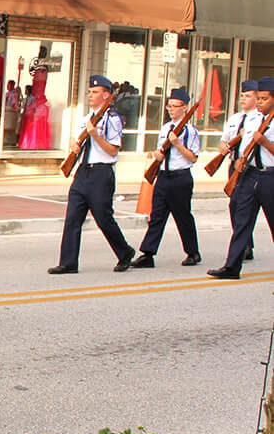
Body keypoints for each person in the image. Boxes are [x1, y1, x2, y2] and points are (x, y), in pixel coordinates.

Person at [48, 74, 135, 275]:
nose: (90, 95)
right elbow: (75, 137)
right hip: (83, 172)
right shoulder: (87, 118)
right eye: (89, 91)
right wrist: (74, 143)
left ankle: (124, 252)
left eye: (95, 92)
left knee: (104, 218)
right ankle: (68, 262)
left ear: (106, 95)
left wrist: (95, 135)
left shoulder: (113, 120)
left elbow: (113, 150)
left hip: (101, 173)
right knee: (72, 218)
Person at [208, 76, 274, 280]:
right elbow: (245, 147)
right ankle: (232, 266)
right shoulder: (253, 120)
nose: (260, 102)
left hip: (270, 176)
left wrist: (264, 142)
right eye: (259, 98)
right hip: (250, 175)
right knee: (241, 220)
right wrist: (240, 161)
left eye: (264, 99)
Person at [131, 88, 201, 269]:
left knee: (183, 216)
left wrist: (177, 143)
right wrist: (157, 154)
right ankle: (148, 253)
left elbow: (193, 157)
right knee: (157, 217)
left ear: (185, 107)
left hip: (180, 177)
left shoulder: (190, 131)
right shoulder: (166, 128)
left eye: (175, 106)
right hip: (163, 176)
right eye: (169, 106)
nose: (171, 109)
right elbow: (159, 149)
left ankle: (193, 252)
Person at [219, 80, 259, 263]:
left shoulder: (259, 118)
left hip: (250, 166)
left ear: (257, 98)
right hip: (234, 165)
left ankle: (244, 246)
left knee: (242, 206)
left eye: (248, 95)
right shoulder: (235, 118)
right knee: (235, 206)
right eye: (242, 95)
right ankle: (246, 244)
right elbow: (224, 140)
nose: (243, 99)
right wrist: (224, 147)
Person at [18, 58, 52, 149]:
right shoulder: (41, 72)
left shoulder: (42, 72)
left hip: (39, 100)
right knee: (32, 121)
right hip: (36, 100)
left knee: (36, 122)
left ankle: (34, 143)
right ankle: (31, 142)